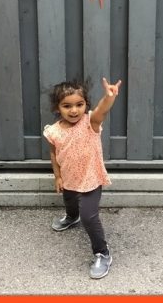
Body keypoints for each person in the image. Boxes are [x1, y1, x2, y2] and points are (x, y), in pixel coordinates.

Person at [43, 77, 122, 279]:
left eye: (79, 104)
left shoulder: (90, 123)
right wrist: (58, 176)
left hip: (90, 179)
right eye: (67, 106)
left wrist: (109, 97)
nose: (74, 110)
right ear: (57, 107)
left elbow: (102, 110)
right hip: (69, 178)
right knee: (69, 201)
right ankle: (71, 217)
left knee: (89, 216)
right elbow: (54, 155)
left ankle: (102, 253)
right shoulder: (53, 131)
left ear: (86, 104)